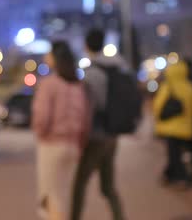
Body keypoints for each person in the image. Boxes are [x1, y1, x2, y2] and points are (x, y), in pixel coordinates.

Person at [31, 41, 90, 220]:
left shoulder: (49, 84)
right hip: (73, 146)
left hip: (51, 145)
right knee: (64, 194)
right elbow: (85, 118)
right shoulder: (78, 85)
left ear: (55, 59)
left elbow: (42, 116)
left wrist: (40, 133)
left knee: (49, 195)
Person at [71, 29, 125, 220]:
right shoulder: (117, 66)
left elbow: (91, 106)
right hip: (113, 134)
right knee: (108, 186)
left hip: (96, 135)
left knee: (79, 184)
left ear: (86, 45)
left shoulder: (92, 73)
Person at [153, 60, 192, 187]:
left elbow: (158, 106)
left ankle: (181, 177)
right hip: (186, 127)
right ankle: (169, 175)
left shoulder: (168, 87)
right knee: (177, 153)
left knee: (174, 154)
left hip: (171, 127)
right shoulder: (191, 87)